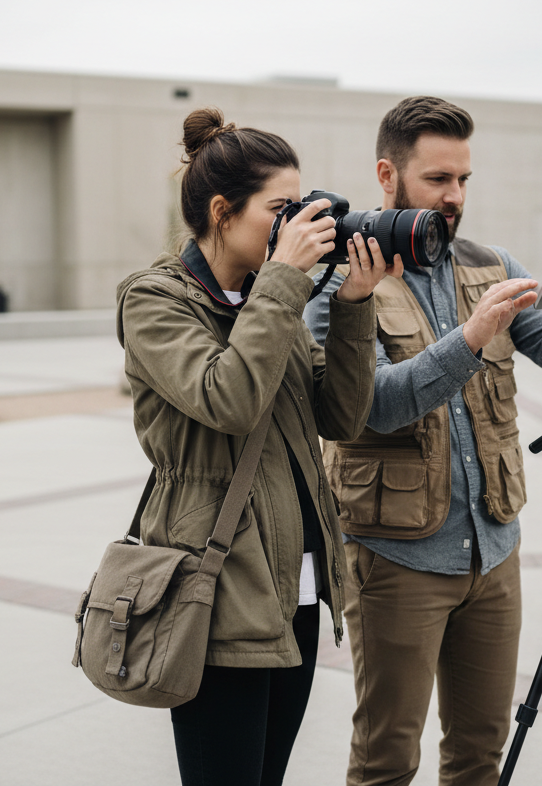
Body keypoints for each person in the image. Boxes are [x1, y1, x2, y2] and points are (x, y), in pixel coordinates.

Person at [305, 95, 542, 786]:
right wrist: (469, 339)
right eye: (438, 179)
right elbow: (367, 409)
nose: (454, 195)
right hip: (394, 560)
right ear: (387, 174)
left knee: (479, 758)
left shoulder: (491, 263)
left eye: (463, 179)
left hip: (493, 553)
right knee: (385, 761)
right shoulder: (339, 280)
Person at [116, 107, 403, 786]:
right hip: (213, 595)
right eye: (281, 209)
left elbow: (341, 414)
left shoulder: (263, 302)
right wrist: (283, 281)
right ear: (222, 211)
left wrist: (356, 302)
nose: (298, 225)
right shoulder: (156, 301)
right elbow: (229, 399)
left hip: (292, 591)